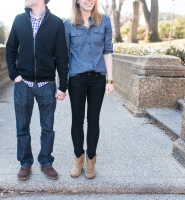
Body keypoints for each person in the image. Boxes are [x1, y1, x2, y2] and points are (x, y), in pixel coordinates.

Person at [6, 0, 68, 181]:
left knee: (47, 128)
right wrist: (14, 75)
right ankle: (25, 163)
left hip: (47, 84)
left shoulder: (56, 23)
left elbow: (62, 56)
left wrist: (62, 85)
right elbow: (10, 49)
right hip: (23, 83)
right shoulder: (19, 20)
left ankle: (46, 162)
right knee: (22, 127)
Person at [64, 0, 114, 179]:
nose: (89, 0)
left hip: (97, 79)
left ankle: (91, 159)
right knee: (77, 120)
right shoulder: (68, 24)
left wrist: (110, 80)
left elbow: (107, 51)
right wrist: (61, 83)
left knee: (93, 120)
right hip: (76, 78)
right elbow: (64, 56)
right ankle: (79, 158)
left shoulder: (104, 21)